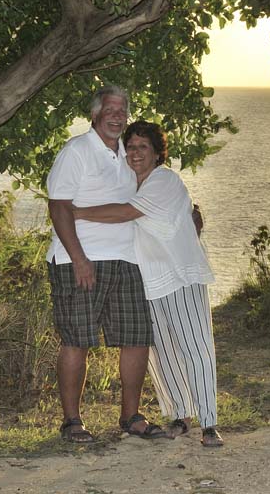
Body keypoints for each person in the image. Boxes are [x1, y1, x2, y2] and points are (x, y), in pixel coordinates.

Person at [73, 120, 224, 448]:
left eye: (143, 147)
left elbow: (125, 214)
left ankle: (209, 422)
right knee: (163, 352)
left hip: (180, 276)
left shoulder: (164, 179)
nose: (135, 152)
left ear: (157, 153)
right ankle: (181, 415)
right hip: (150, 280)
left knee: (194, 348)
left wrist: (76, 212)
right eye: (130, 147)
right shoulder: (129, 184)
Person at [45, 87, 166, 443]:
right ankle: (72, 421)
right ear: (95, 114)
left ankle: (131, 416)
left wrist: (189, 212)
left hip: (127, 260)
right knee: (77, 339)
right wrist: (79, 258)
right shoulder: (77, 151)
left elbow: (150, 194)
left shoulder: (127, 157)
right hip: (80, 260)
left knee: (137, 338)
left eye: (122, 110)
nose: (117, 116)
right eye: (110, 109)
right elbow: (58, 207)